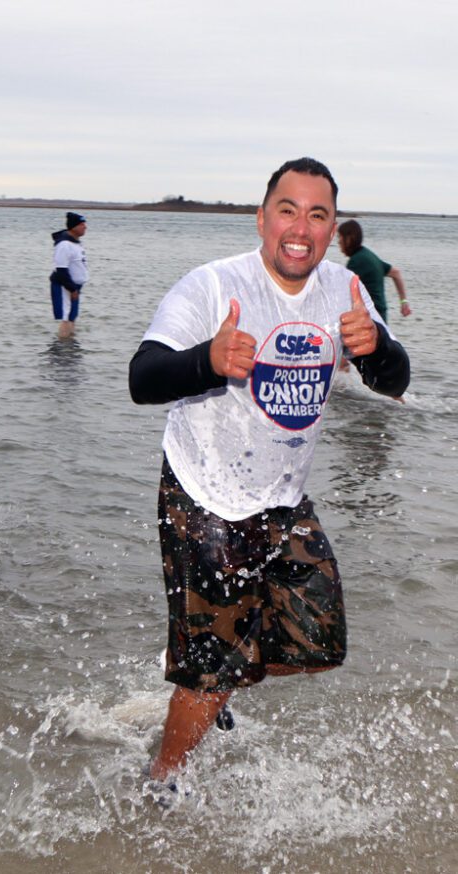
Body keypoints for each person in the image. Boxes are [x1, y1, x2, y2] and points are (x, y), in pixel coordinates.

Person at [128, 158, 410, 794]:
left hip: (281, 500)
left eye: (317, 214)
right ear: (262, 218)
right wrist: (206, 360)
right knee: (210, 667)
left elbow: (394, 381)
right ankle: (160, 780)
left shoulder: (345, 290)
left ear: (332, 227)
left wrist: (380, 352)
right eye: (288, 209)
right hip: (202, 494)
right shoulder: (212, 286)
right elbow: (141, 378)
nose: (301, 228)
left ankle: (208, 670)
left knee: (319, 641)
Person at [337, 219, 412, 322]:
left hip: (371, 320)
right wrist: (403, 301)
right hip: (381, 318)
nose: (338, 242)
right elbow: (396, 273)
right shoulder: (369, 255)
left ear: (349, 238)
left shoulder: (357, 261)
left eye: (340, 237)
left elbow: (340, 292)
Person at [50, 212, 88, 339]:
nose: (85, 227)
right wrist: (72, 289)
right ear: (73, 227)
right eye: (82, 224)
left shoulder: (76, 243)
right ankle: (62, 348)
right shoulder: (64, 245)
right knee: (65, 318)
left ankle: (71, 346)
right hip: (65, 286)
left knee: (72, 316)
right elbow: (61, 270)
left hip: (75, 286)